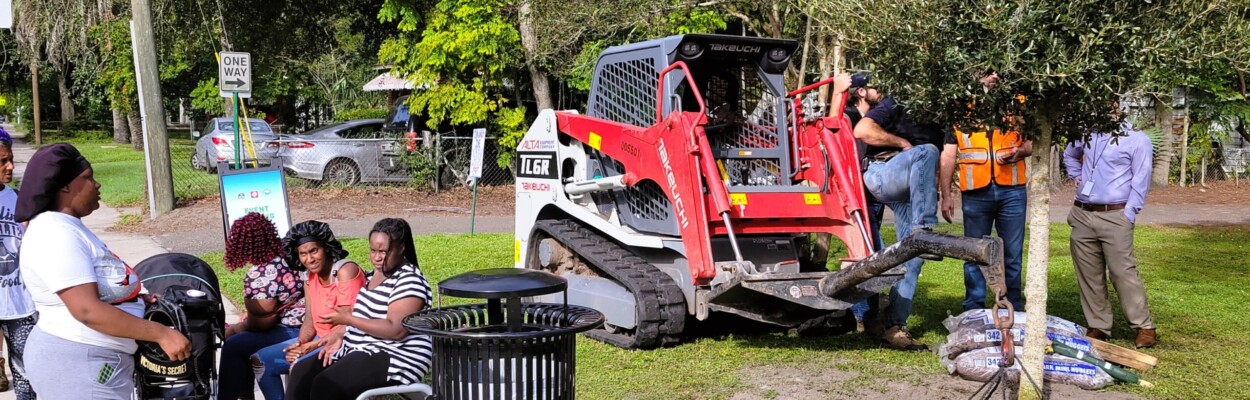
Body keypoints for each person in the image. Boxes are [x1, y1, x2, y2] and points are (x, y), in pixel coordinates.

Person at [17, 143, 190, 399]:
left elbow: (93, 285)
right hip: (76, 363)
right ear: (64, 186)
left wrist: (132, 298)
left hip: (95, 361)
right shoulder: (55, 232)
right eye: (87, 178)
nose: (96, 185)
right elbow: (86, 310)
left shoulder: (68, 226)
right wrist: (161, 333)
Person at [286, 218, 432, 400]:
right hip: (361, 347)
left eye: (384, 251)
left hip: (397, 354)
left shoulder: (410, 280)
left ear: (401, 248)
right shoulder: (376, 275)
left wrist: (349, 320)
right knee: (301, 373)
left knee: (326, 385)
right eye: (373, 250)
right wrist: (339, 336)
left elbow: (396, 330)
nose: (377, 257)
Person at [853, 86, 945, 351]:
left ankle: (894, 326)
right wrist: (901, 143)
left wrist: (941, 193)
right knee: (926, 151)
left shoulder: (944, 118)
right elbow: (862, 131)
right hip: (881, 173)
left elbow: (944, 158)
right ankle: (924, 228)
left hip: (910, 189)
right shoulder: (898, 101)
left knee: (912, 257)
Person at [1062, 117, 1157, 348]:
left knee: (1122, 271)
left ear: (1119, 107)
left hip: (1116, 214)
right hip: (1082, 213)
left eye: (1112, 104)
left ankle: (1144, 326)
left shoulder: (1137, 139)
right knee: (1088, 273)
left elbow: (1141, 178)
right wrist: (1077, 176)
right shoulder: (1086, 133)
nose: (1106, 111)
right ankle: (1099, 326)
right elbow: (1069, 154)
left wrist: (1129, 212)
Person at [939, 72, 1031, 311]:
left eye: (996, 70)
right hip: (975, 193)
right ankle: (974, 308)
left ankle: (1012, 308)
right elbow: (949, 154)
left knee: (1012, 256)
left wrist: (1020, 152)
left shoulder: (1018, 103)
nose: (992, 76)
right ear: (976, 72)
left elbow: (1032, 143)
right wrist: (946, 195)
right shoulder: (960, 106)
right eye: (986, 71)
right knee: (973, 254)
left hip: (1012, 190)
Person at [250, 220, 365, 400]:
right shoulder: (308, 276)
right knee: (261, 359)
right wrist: (301, 343)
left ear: (325, 248)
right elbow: (310, 319)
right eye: (303, 254)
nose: (309, 259)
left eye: (314, 251)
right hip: (318, 340)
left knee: (299, 367)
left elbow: (347, 323)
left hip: (342, 343)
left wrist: (310, 347)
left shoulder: (344, 271)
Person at [218, 212, 306, 400]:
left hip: (293, 331)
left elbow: (261, 325)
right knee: (243, 343)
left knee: (234, 345)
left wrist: (235, 328)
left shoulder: (260, 275)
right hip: (310, 322)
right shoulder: (291, 253)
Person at [0, 130, 37, 400]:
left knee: (27, 371)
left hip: (19, 303)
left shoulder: (17, 198)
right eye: (2, 161)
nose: (10, 166)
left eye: (10, 159)